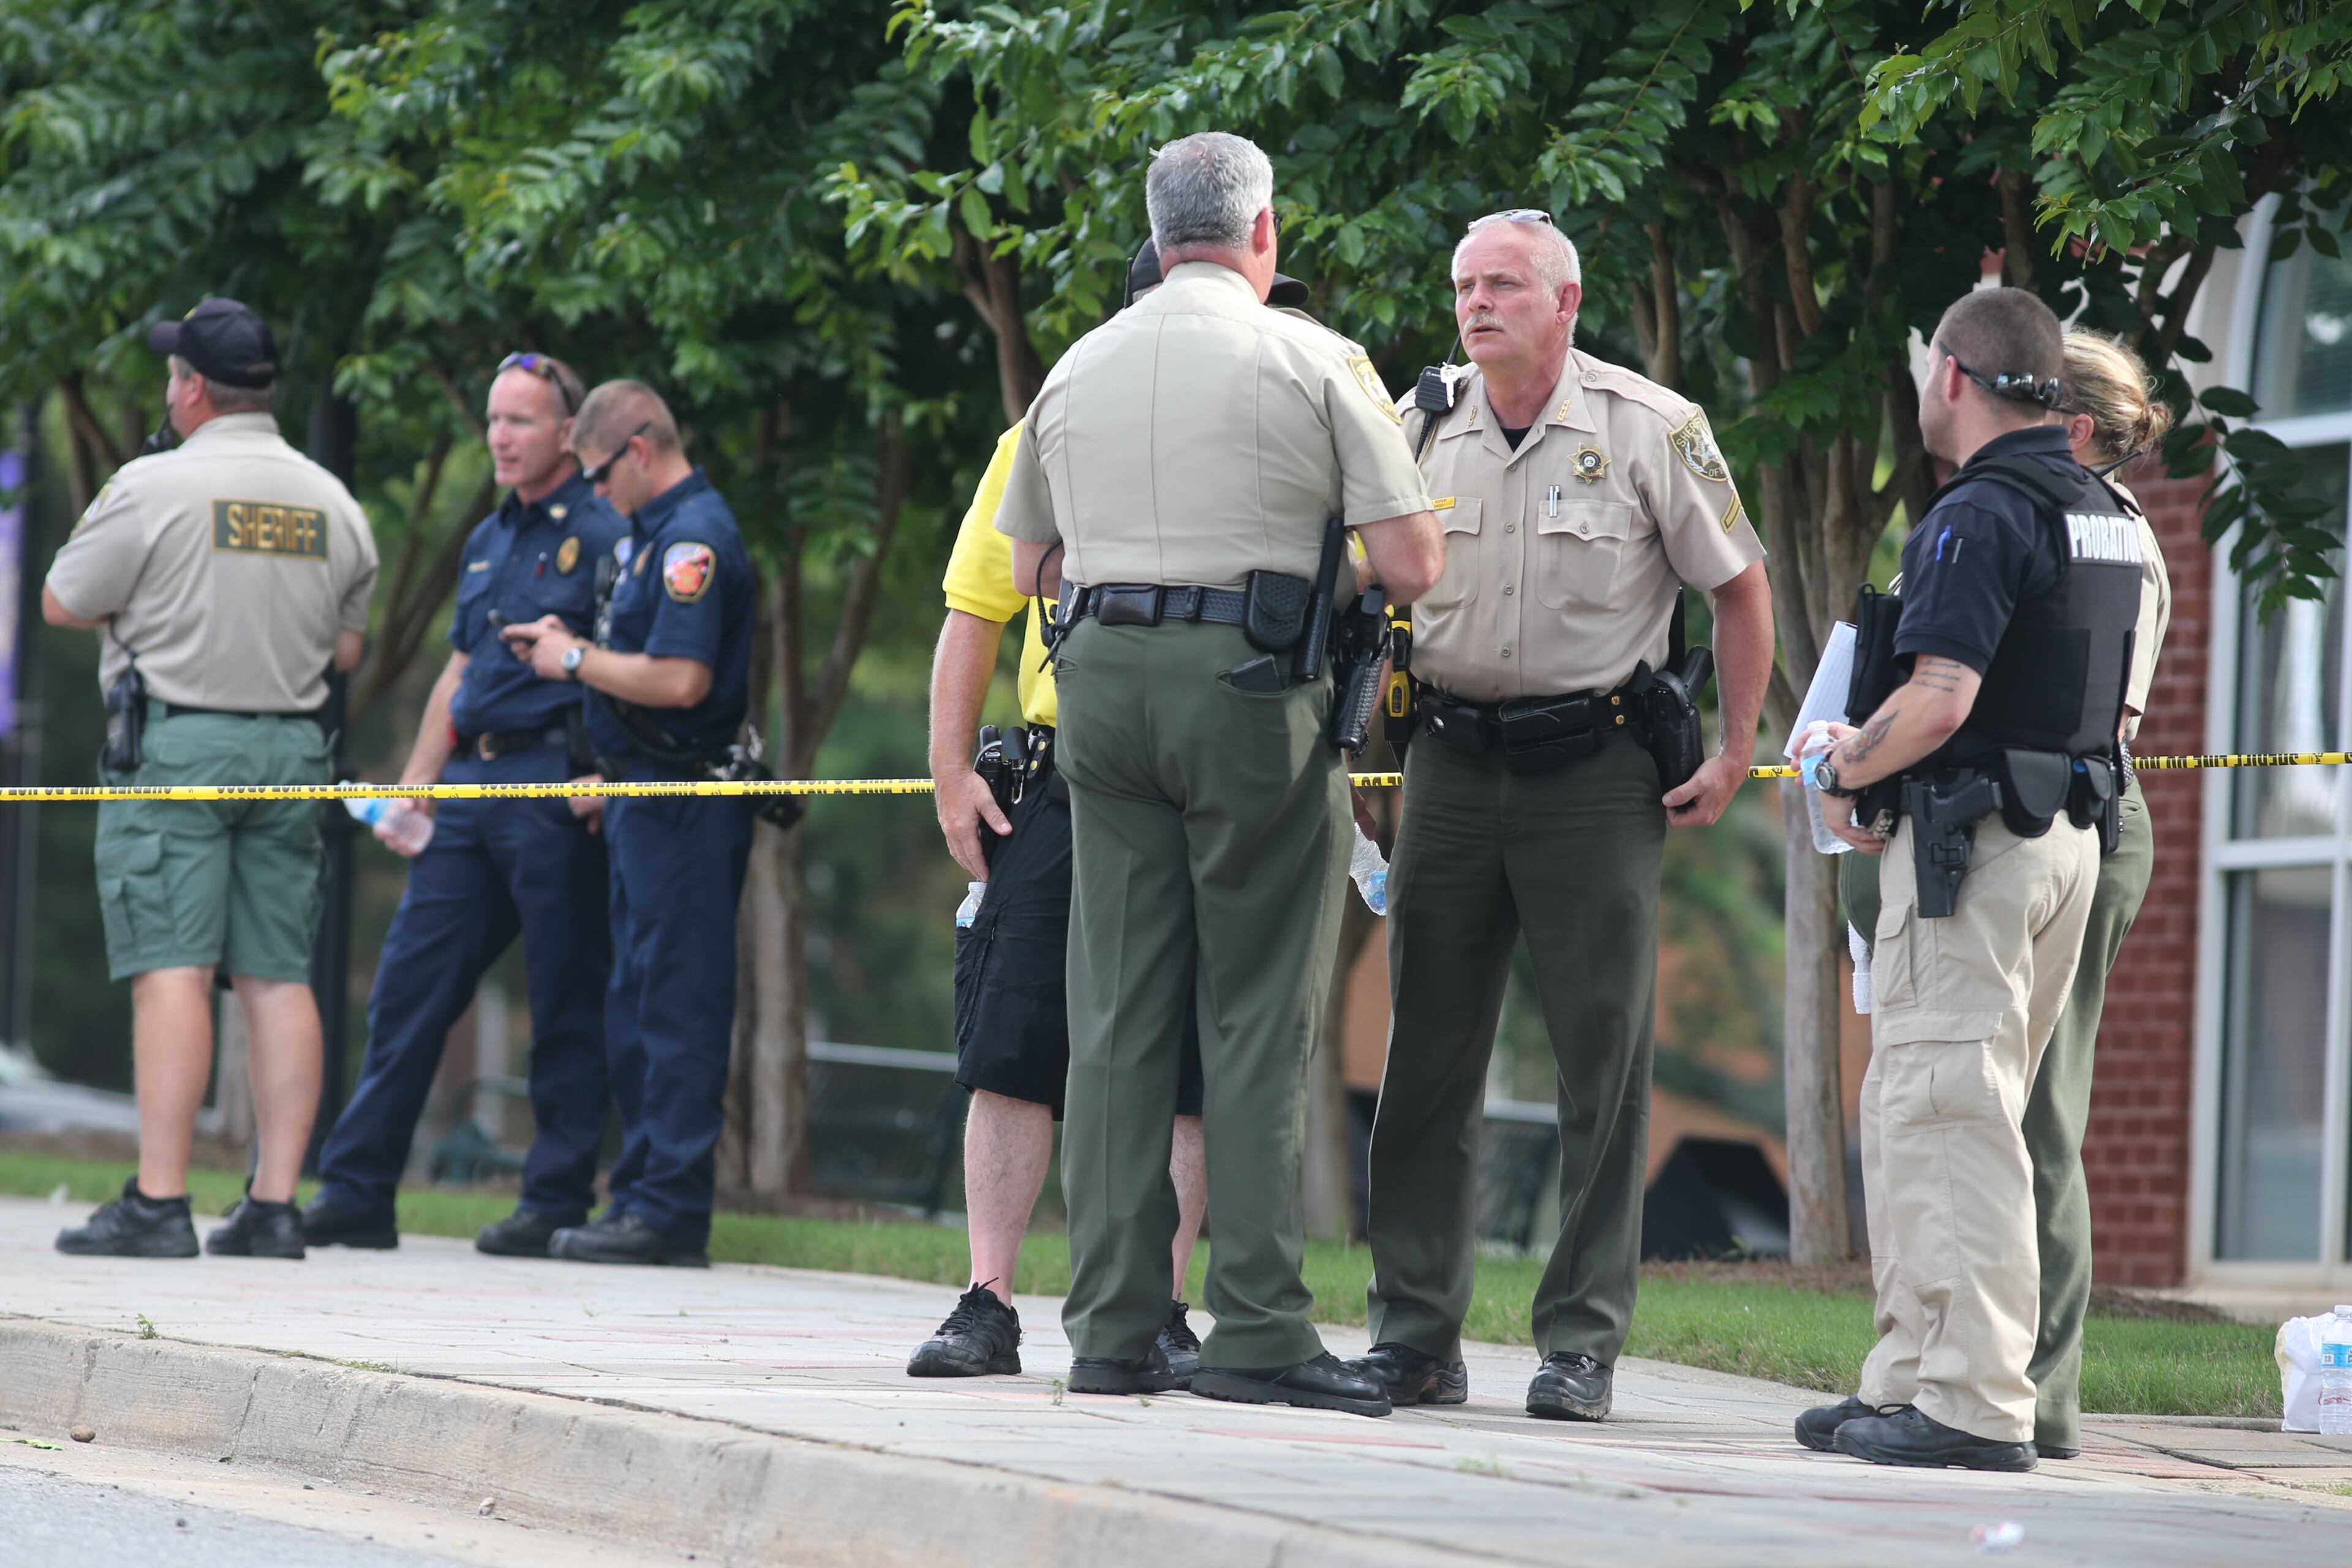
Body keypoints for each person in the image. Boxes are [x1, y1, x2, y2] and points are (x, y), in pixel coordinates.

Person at [995, 130, 1443, 1415]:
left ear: (1157, 228)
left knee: (1119, 1008)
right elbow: (1413, 561)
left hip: (1101, 689)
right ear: (1265, 233)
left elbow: (1033, 557)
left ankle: (1112, 1329)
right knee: (1254, 1012)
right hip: (1250, 693)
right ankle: (1254, 1324)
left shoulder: (1077, 363)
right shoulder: (1312, 357)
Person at [1348, 211, 1775, 1422]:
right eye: (1463, 285)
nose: (1476, 304)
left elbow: (1742, 589)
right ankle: (1414, 1333)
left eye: (1502, 284)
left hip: (1594, 772)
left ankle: (1580, 1339)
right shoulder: (1416, 423)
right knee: (1424, 1051)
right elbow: (1363, 577)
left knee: (1604, 1059)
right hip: (1447, 761)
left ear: (1566, 299)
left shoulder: (1652, 427)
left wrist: (1740, 746)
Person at [1798, 288, 2143, 1472]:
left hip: (1975, 849)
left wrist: (1843, 761)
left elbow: (1941, 698)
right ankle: (1907, 1372)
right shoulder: (2096, 505)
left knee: (1950, 1112)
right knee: (1929, 1107)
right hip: (2059, 843)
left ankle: (1970, 1402)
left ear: (1952, 375)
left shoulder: (1979, 512)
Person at [911, 241, 1214, 1381]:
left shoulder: (1250, 438)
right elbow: (971, 612)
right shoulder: (1049, 429)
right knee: (1015, 1043)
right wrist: (951, 773)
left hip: (1194, 776)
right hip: (1059, 774)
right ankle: (988, 1300)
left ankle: (1164, 1308)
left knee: (1185, 1055)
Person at [44, 297, 379, 1259]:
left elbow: (64, 600)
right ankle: (275, 1207)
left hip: (179, 749)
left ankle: (158, 1201)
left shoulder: (154, 486)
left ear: (191, 387)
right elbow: (347, 647)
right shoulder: (334, 500)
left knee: (173, 971)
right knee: (279, 977)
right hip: (292, 754)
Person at [301, 354, 627, 1258]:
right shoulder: (487, 538)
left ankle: (555, 1200)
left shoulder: (603, 533)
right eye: (493, 419)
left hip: (555, 787)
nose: (500, 436)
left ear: (568, 434)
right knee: (408, 986)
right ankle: (359, 1189)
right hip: (471, 789)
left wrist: (604, 770)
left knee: (563, 996)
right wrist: (417, 781)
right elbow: (458, 667)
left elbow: (620, 662)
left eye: (521, 421)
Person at [501, 380, 754, 1268]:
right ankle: (640, 1193)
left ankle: (670, 1209)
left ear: (639, 448)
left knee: (677, 1004)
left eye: (600, 474)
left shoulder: (693, 540)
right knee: (638, 998)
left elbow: (683, 680)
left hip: (684, 807)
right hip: (642, 798)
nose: (595, 493)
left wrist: (574, 658)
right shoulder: (650, 537)